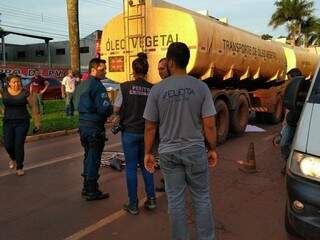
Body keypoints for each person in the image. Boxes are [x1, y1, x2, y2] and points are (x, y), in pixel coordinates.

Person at [143, 42, 218, 240]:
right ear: (187, 61)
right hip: (195, 150)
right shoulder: (200, 87)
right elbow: (209, 125)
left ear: (170, 62)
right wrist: (212, 149)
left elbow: (150, 127)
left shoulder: (157, 91)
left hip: (168, 153)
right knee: (201, 198)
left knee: (175, 201)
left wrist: (148, 153)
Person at [113, 52, 156, 215]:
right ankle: (151, 199)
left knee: (131, 168)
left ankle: (133, 204)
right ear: (146, 70)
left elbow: (116, 109)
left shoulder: (124, 87)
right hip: (147, 133)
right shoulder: (152, 89)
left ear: (133, 70)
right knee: (147, 165)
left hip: (129, 133)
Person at [74, 58, 113, 201]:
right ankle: (92, 190)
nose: (105, 71)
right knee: (94, 158)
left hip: (83, 125)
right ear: (93, 70)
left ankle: (86, 186)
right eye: (103, 69)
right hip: (94, 126)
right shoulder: (97, 86)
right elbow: (104, 108)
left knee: (87, 155)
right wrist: (110, 109)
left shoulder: (81, 85)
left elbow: (73, 103)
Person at [0, 75, 32, 176]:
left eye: (18, 82)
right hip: (8, 121)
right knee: (8, 144)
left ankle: (19, 167)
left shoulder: (25, 92)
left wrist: (30, 100)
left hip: (22, 121)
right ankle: (13, 158)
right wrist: (1, 110)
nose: (16, 84)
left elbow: (32, 105)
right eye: (14, 82)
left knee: (18, 144)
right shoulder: (3, 91)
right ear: (9, 83)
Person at [280, 68, 303, 173]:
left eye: (290, 79)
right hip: (290, 121)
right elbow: (288, 106)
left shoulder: (306, 89)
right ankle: (287, 161)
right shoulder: (291, 89)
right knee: (284, 143)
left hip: (301, 123)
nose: (288, 82)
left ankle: (294, 167)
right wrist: (284, 120)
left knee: (299, 146)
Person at [155, 57, 170, 193]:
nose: (159, 72)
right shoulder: (159, 87)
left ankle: (168, 183)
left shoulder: (160, 88)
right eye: (158, 69)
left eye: (162, 69)